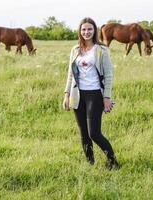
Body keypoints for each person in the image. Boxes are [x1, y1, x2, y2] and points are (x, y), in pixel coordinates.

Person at [63, 17, 120, 169]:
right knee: (84, 133)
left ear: (94, 31)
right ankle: (90, 164)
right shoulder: (75, 50)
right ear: (79, 32)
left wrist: (106, 97)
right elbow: (70, 73)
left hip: (95, 95)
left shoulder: (101, 50)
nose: (86, 32)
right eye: (83, 29)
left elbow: (108, 75)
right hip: (77, 95)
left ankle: (113, 162)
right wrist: (66, 94)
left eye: (89, 29)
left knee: (94, 132)